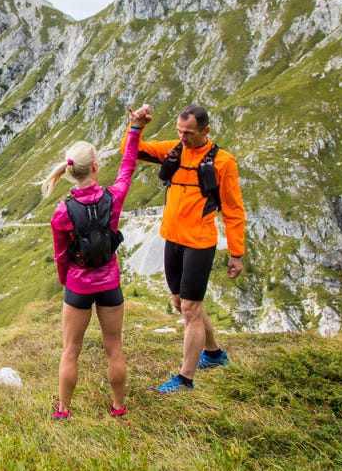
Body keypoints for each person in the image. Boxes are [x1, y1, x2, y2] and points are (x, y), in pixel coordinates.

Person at [124, 104, 246, 393]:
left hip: (199, 242)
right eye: (179, 131)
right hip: (172, 238)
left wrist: (236, 253)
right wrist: (136, 126)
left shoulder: (223, 162)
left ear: (206, 131)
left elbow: (233, 209)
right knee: (181, 302)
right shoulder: (174, 150)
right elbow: (131, 152)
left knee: (190, 309)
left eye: (188, 133)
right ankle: (214, 354)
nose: (183, 137)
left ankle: (185, 379)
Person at [43, 103, 153, 420]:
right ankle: (118, 406)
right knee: (114, 348)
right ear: (94, 167)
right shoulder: (113, 198)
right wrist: (134, 129)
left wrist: (69, 284)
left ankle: (64, 410)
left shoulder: (62, 212)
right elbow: (128, 166)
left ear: (69, 172)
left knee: (70, 350)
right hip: (110, 284)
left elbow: (61, 256)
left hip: (78, 287)